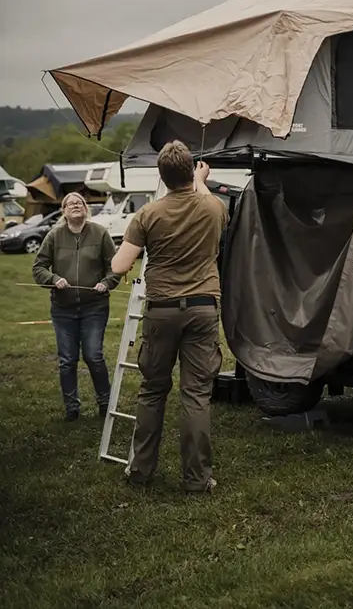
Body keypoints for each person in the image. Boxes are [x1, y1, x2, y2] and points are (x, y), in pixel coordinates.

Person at [111, 140, 228, 494]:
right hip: (204, 308)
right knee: (196, 395)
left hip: (162, 310)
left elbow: (119, 265)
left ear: (160, 175)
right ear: (191, 170)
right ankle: (196, 479)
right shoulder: (215, 206)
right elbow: (203, 200)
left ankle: (141, 471)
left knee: (152, 391)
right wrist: (202, 180)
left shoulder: (148, 214)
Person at [32, 192, 121, 421]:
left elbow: (115, 266)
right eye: (70, 203)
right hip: (63, 309)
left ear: (85, 209)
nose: (75, 205)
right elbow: (39, 267)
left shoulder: (100, 233)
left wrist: (106, 282)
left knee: (93, 355)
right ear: (63, 211)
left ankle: (105, 404)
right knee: (67, 360)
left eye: (79, 202)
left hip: (95, 307)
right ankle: (72, 408)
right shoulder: (54, 235)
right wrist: (53, 279)